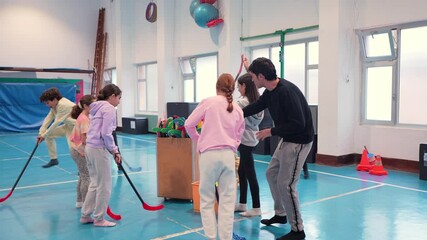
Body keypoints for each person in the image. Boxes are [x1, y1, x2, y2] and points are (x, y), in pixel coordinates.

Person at [242, 57, 314, 240]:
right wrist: (235, 113)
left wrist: (271, 131)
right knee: (271, 174)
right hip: (287, 138)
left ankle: (298, 230)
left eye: (252, 77)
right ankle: (281, 214)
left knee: (286, 184)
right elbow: (257, 105)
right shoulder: (270, 91)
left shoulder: (286, 92)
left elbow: (299, 124)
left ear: (260, 76)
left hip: (299, 141)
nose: (251, 81)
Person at [184, 73, 245, 240]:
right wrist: (233, 145)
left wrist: (199, 139)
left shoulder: (208, 102)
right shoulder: (238, 109)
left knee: (207, 199)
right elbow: (240, 132)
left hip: (208, 155)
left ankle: (211, 237)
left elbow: (188, 124)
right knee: (227, 201)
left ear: (216, 87)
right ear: (232, 89)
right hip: (228, 155)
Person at [80, 84, 122, 227]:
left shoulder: (96, 107)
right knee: (104, 185)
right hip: (98, 149)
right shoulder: (109, 108)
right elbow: (106, 133)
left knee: (95, 183)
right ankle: (99, 219)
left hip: (90, 148)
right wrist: (115, 150)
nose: (119, 102)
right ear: (112, 96)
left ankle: (86, 215)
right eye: (119, 98)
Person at [234, 73, 264, 217]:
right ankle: (242, 203)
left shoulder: (243, 102)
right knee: (242, 171)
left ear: (244, 86)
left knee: (250, 173)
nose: (238, 89)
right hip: (251, 138)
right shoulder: (257, 100)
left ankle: (257, 207)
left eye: (239, 86)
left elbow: (230, 110)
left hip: (246, 140)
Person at [37, 87, 76, 168]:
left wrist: (44, 136)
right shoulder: (55, 105)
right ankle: (53, 159)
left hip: (76, 129)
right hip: (68, 126)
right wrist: (41, 133)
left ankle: (84, 168)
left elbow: (56, 123)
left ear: (54, 99)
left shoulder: (63, 105)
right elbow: (48, 119)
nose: (47, 105)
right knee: (49, 136)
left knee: (74, 150)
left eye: (47, 103)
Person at [69, 94, 95, 208]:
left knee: (82, 176)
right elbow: (85, 139)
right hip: (79, 150)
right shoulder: (84, 119)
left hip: (75, 149)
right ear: (85, 106)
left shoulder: (83, 116)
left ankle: (79, 202)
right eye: (93, 104)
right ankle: (86, 204)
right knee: (86, 177)